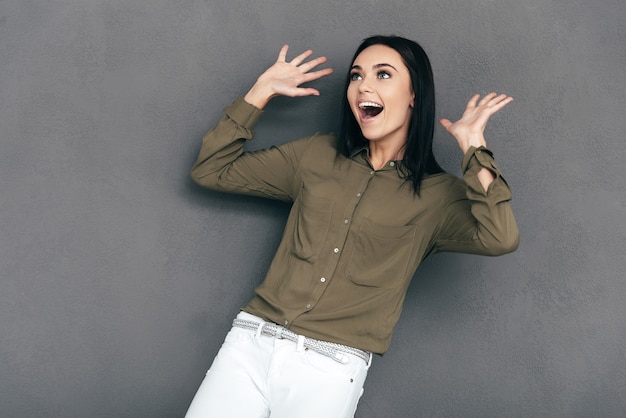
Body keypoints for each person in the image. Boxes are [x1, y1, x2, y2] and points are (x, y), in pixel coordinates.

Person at [185, 35, 519, 418]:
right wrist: (260, 92)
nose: (364, 86)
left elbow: (500, 237)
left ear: (414, 95)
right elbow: (211, 170)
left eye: (383, 74)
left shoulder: (438, 196)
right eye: (357, 75)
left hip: (329, 370)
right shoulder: (316, 154)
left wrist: (473, 147)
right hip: (249, 346)